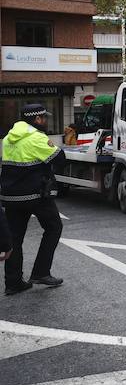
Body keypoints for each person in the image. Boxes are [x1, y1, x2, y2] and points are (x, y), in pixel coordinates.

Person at [1, 104, 66, 296]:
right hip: (35, 195)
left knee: (15, 239)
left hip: (10, 196)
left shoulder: (7, 139)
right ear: (37, 119)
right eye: (44, 118)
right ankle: (40, 272)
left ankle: (13, 283)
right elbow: (59, 159)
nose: (45, 121)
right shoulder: (36, 137)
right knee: (54, 227)